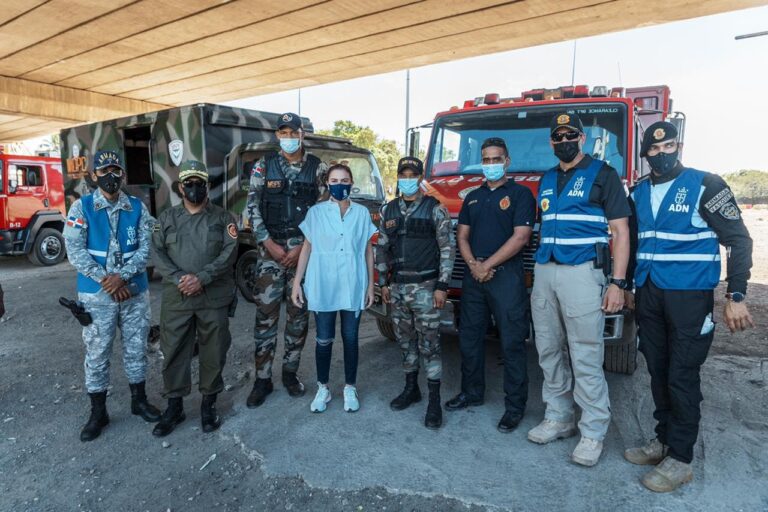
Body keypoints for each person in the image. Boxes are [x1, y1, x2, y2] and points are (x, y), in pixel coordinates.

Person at [624, 121, 754, 491]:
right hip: (649, 293)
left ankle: (680, 459)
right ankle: (664, 441)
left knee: (681, 374)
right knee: (658, 369)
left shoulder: (705, 184)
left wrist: (736, 295)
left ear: (678, 147)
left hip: (690, 296)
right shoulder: (638, 192)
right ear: (645, 154)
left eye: (669, 146)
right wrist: (630, 286)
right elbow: (634, 244)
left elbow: (739, 241)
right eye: (654, 149)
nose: (661, 153)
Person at [527, 113, 631, 467]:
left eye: (570, 135)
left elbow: (620, 232)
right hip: (546, 271)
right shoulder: (546, 179)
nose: (564, 141)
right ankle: (559, 417)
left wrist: (617, 283)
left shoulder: (604, 174)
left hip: (583, 273)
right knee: (548, 349)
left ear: (582, 139)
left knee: (585, 353)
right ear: (551, 142)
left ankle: (593, 431)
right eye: (558, 137)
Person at [62, 150, 161, 442]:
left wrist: (123, 277)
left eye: (116, 169)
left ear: (123, 174)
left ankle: (139, 401)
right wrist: (108, 282)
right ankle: (98, 413)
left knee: (136, 347)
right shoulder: (81, 208)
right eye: (104, 170)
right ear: (94, 175)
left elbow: (147, 246)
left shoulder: (137, 207)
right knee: (97, 353)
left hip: (134, 292)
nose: (110, 176)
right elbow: (75, 251)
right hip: (97, 295)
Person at [445, 138, 535, 433]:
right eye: (486, 159)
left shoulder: (521, 194)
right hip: (474, 276)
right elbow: (462, 236)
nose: (491, 164)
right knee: (469, 338)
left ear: (507, 162)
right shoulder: (473, 196)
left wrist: (487, 266)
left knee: (512, 342)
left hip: (506, 276)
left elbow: (521, 237)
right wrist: (474, 265)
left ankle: (515, 406)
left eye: (496, 159)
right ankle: (471, 392)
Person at [244, 112, 328, 408]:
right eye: (284, 133)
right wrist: (268, 243)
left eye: (294, 132)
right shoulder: (263, 166)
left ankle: (290, 374)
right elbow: (252, 207)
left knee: (298, 317)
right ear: (277, 135)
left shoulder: (318, 168)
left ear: (302, 134)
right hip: (270, 252)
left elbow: (323, 212)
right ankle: (262, 379)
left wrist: (302, 246)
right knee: (265, 317)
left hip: (303, 253)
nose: (289, 137)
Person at [150, 160, 238, 437]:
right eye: (189, 183)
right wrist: (180, 278)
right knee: (174, 350)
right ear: (180, 187)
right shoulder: (166, 219)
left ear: (208, 186)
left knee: (214, 350)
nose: (194, 188)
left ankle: (208, 405)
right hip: (177, 298)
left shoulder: (224, 218)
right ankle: (174, 406)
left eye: (200, 183)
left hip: (213, 296)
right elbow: (157, 253)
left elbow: (229, 253)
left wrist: (202, 277)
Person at [375, 156, 455, 429]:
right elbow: (382, 248)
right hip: (397, 288)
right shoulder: (389, 210)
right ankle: (412, 389)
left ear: (420, 178)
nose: (407, 180)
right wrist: (383, 283)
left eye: (412, 175)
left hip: (426, 288)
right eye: (403, 175)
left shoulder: (435, 209)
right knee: (405, 342)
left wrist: (442, 286)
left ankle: (434, 401)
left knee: (430, 346)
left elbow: (447, 249)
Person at [291, 163, 377, 413]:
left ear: (352, 183)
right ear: (327, 184)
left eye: (345, 180)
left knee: (350, 338)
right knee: (324, 338)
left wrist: (371, 285)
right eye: (335, 181)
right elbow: (307, 248)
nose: (340, 185)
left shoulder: (361, 213)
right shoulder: (316, 213)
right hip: (323, 283)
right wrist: (297, 282)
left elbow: (367, 250)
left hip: (353, 284)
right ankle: (323, 388)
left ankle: (350, 387)